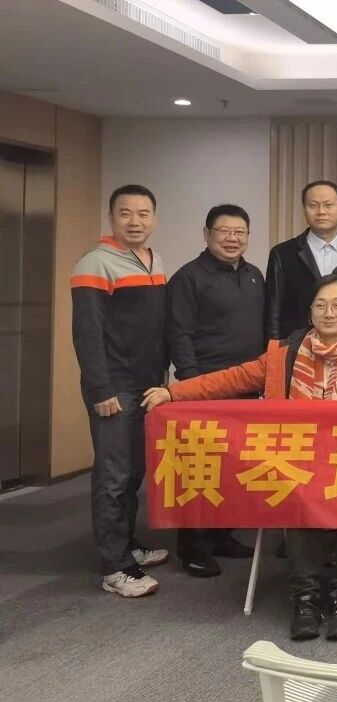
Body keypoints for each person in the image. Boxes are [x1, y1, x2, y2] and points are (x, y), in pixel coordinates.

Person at [142, 276, 337, 641]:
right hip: (296, 459)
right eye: (320, 305)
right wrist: (174, 392)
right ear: (309, 312)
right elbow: (234, 379)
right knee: (297, 497)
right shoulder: (284, 353)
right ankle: (305, 599)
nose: (328, 313)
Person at [71, 184, 170, 597]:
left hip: (147, 384)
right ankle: (114, 567)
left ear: (154, 219)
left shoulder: (153, 260)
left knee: (133, 472)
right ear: (111, 217)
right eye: (125, 213)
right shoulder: (95, 263)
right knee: (113, 475)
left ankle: (127, 544)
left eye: (143, 214)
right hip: (114, 386)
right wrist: (101, 388)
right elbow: (87, 333)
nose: (135, 221)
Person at [166, 203, 264, 577]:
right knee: (199, 468)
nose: (232, 238)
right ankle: (193, 546)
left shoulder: (254, 275)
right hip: (204, 386)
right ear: (207, 234)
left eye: (240, 232)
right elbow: (178, 333)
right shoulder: (188, 278)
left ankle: (222, 535)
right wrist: (191, 385)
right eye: (224, 231)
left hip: (246, 385)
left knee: (233, 466)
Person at [265, 180, 337, 341]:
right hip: (297, 345)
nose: (321, 211)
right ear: (304, 210)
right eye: (313, 205)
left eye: (328, 205)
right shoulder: (282, 253)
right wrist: (274, 348)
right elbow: (273, 311)